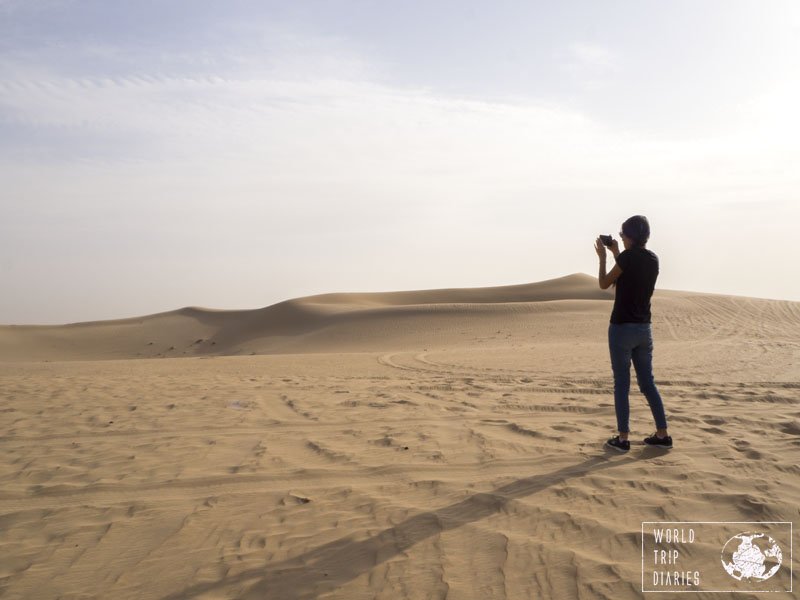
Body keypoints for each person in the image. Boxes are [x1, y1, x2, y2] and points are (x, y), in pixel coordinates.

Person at [594, 215, 671, 452]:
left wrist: (603, 258)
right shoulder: (652, 259)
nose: (620, 238)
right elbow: (629, 276)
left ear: (629, 236)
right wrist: (619, 253)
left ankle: (623, 438)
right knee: (648, 383)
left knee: (622, 384)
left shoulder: (627, 257)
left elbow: (605, 283)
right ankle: (662, 434)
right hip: (643, 329)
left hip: (621, 328)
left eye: (622, 234)